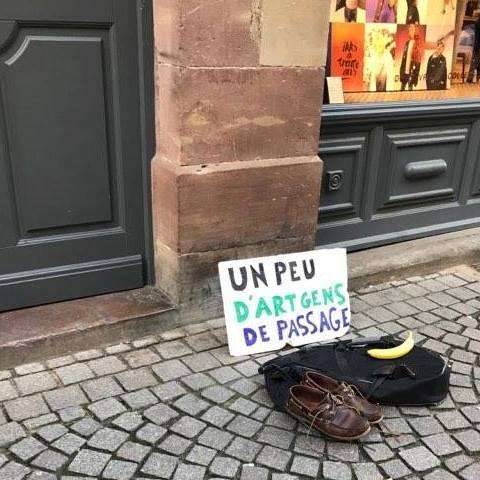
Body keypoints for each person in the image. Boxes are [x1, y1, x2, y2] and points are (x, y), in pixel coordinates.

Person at [400, 24, 422, 90]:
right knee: (401, 89)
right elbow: (404, 58)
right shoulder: (407, 43)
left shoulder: (418, 43)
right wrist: (401, 71)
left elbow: (418, 60)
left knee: (410, 90)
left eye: (412, 29)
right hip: (405, 72)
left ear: (416, 31)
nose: (410, 31)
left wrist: (415, 74)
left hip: (412, 72)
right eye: (409, 30)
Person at [467, 14, 480, 82]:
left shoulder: (477, 22)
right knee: (474, 61)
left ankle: (475, 78)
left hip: (477, 45)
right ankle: (470, 78)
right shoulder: (478, 23)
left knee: (475, 61)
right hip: (477, 45)